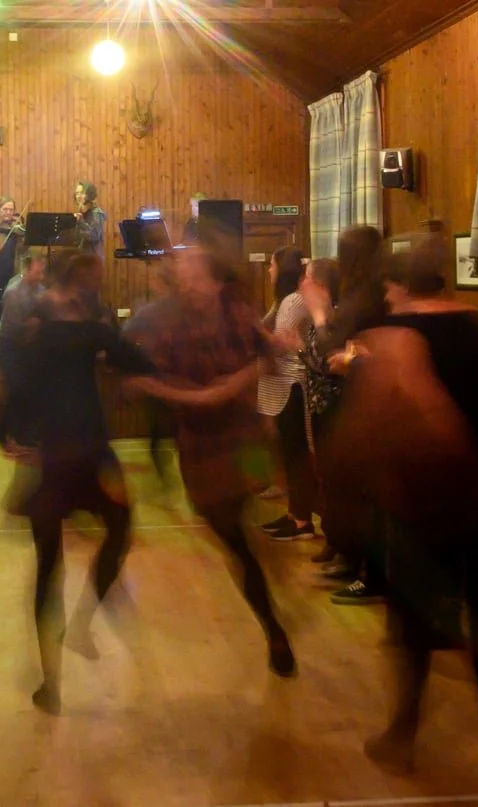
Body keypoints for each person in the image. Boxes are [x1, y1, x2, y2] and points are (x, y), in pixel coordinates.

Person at [335, 232, 478, 772]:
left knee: (412, 618)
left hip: (419, 492)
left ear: (397, 285)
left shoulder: (392, 335)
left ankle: (402, 734)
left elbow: (372, 417)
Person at [3, 252, 161, 714]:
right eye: (92, 280)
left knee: (50, 565)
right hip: (85, 454)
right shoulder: (87, 329)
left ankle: (51, 683)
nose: (97, 287)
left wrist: (10, 434)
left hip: (52, 456)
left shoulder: (33, 330)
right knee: (115, 532)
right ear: (76, 284)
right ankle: (78, 631)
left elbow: (8, 388)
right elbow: (138, 361)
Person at [127, 247, 295, 677]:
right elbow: (144, 378)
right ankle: (270, 617)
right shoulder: (167, 323)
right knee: (233, 537)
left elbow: (270, 357)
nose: (187, 284)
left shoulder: (237, 315)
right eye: (182, 276)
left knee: (252, 508)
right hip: (201, 446)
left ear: (218, 282)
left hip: (244, 440)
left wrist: (247, 385)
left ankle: (271, 608)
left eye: (195, 276)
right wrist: (197, 395)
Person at [300, 227, 389, 596]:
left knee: (363, 493)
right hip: (363, 401)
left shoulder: (364, 299)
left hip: (358, 401)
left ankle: (370, 572)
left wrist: (319, 312)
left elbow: (329, 347)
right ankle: (355, 561)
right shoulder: (373, 295)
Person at [258, 247, 315, 540]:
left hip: (291, 384)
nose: (269, 270)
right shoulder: (283, 300)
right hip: (281, 384)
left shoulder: (293, 300)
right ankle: (295, 513)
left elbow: (279, 343)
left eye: (272, 264)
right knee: (289, 454)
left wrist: (249, 332)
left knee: (296, 455)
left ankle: (302, 520)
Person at [73, 180, 107, 259]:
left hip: (93, 259)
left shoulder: (97, 213)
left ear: (90, 194)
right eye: (77, 193)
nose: (78, 196)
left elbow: (94, 236)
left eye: (82, 193)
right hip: (81, 258)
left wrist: (81, 223)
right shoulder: (80, 212)